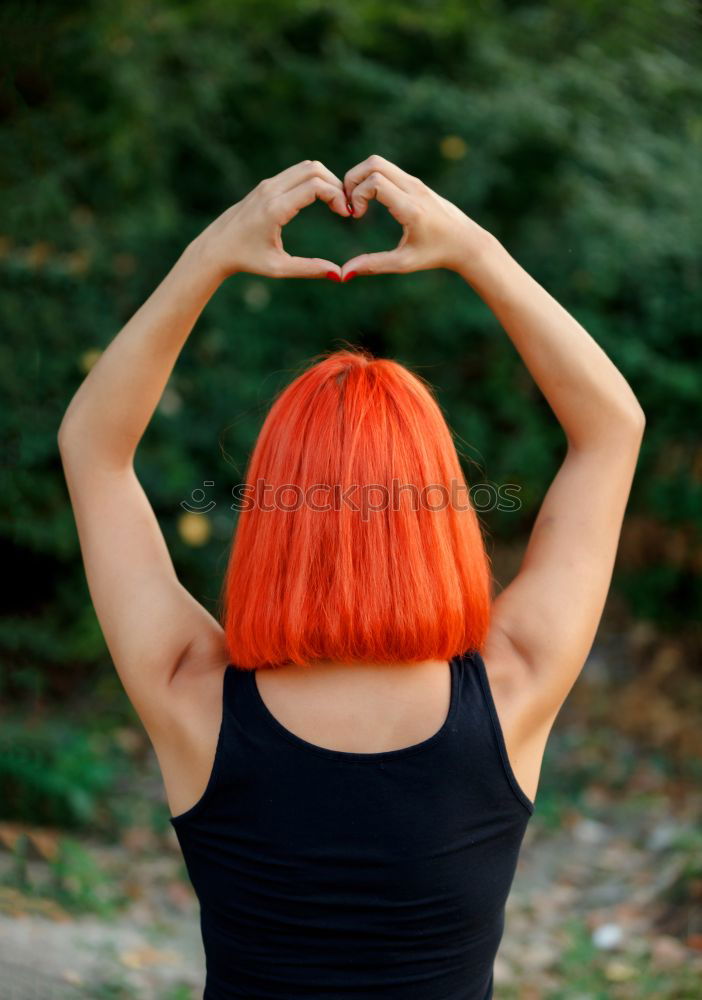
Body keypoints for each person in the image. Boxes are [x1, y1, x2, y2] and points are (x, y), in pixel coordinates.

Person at [58, 155, 645, 999]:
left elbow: (93, 450)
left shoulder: (191, 694)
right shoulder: (511, 689)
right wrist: (476, 250)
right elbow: (612, 428)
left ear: (271, 515)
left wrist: (210, 254)